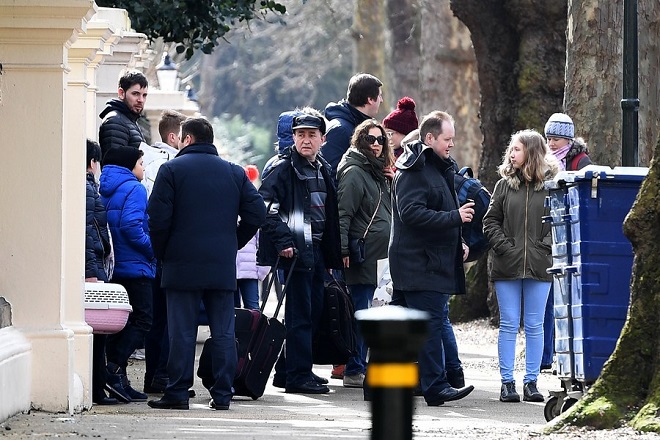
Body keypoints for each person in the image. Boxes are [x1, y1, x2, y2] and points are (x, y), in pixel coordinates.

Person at [147, 117, 265, 410]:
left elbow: (157, 220)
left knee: (182, 332)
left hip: (180, 263)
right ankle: (223, 394)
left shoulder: (171, 170)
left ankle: (177, 392)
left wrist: (164, 252)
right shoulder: (234, 173)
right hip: (221, 264)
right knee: (223, 331)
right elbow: (258, 213)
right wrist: (233, 242)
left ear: (186, 139)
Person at [388, 110, 476, 406]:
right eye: (447, 139)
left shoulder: (434, 167)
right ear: (429, 138)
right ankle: (436, 386)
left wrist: (458, 239)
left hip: (422, 262)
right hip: (420, 264)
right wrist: (455, 218)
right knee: (429, 326)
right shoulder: (416, 169)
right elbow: (411, 213)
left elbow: (431, 208)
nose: (452, 144)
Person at [258, 113, 343, 394]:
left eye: (311, 135)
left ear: (322, 139)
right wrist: (283, 241)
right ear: (293, 137)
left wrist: (332, 257)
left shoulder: (323, 167)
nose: (305, 140)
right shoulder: (283, 168)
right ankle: (297, 376)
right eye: (300, 135)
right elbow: (266, 208)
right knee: (300, 315)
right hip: (294, 253)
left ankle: (291, 370)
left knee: (314, 312)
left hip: (317, 252)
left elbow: (330, 216)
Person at [483, 129, 559, 403]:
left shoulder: (553, 185)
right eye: (511, 149)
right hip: (507, 264)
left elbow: (559, 222)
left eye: (516, 149)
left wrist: (545, 246)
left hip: (540, 265)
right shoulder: (504, 185)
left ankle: (531, 381)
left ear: (532, 152)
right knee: (509, 323)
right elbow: (490, 220)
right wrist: (504, 246)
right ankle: (506, 383)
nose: (511, 154)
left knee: (536, 324)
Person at [336, 119, 393, 388]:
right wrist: (344, 248)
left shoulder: (378, 172)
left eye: (380, 139)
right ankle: (354, 369)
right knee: (362, 312)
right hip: (362, 255)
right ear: (360, 141)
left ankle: (365, 366)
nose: (376, 144)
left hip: (382, 257)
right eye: (370, 139)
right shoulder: (354, 172)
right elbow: (343, 214)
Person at [99, 146, 156, 403]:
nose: (143, 168)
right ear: (130, 166)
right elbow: (132, 226)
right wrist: (153, 249)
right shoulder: (134, 188)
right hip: (136, 266)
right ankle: (113, 370)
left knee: (118, 325)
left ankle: (120, 380)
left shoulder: (104, 187)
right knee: (144, 319)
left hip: (114, 266)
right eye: (141, 163)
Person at [540, 113, 592, 370]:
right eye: (548, 138)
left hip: (570, 236)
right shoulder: (545, 162)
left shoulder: (581, 163)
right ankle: (547, 353)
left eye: (556, 139)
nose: (551, 143)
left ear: (568, 140)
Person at [141, 109, 187, 394]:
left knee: (156, 319)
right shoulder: (173, 166)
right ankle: (164, 375)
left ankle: (153, 375)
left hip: (151, 251)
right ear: (175, 137)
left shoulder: (146, 161)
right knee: (172, 318)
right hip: (169, 251)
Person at [85, 139, 117, 405]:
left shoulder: (89, 188)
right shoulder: (87, 189)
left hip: (95, 264)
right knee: (98, 335)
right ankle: (96, 389)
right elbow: (87, 233)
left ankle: (99, 388)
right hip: (92, 268)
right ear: (93, 163)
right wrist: (91, 272)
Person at [322, 73, 384, 179]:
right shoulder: (340, 130)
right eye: (379, 96)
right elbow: (331, 175)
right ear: (370, 99)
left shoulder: (358, 126)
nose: (381, 100)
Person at [235, 165, 270, 310]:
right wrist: (262, 270)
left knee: (233, 309)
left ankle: (235, 333)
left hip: (241, 270)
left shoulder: (231, 206)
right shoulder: (254, 207)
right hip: (249, 270)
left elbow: (262, 242)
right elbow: (263, 241)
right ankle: (254, 333)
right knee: (252, 308)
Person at [98, 69, 149, 159]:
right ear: (121, 93)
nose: (141, 100)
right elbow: (115, 163)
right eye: (135, 94)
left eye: (144, 95)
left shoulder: (128, 120)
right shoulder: (115, 121)